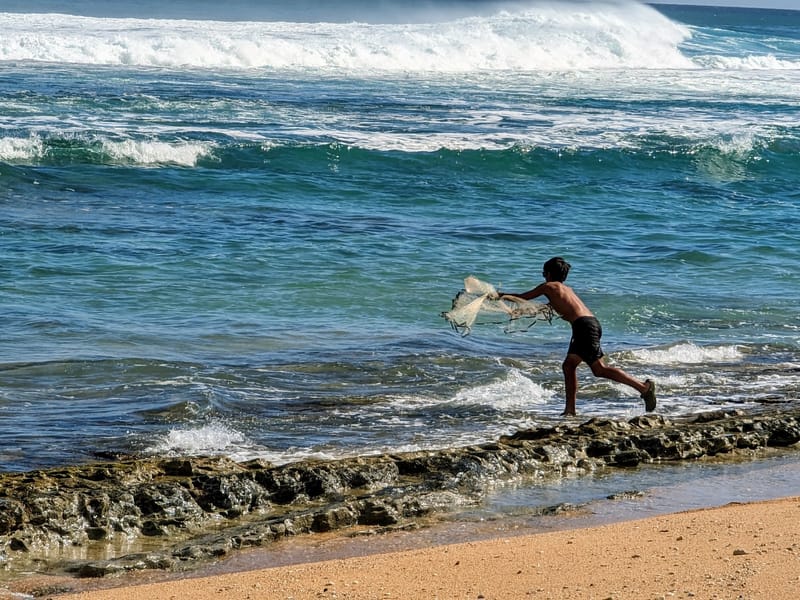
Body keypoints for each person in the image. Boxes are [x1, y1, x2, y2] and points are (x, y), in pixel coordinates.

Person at [499, 257, 656, 416]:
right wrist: (520, 312)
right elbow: (548, 308)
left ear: (548, 273)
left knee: (596, 369)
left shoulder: (549, 286)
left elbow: (522, 297)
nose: (543, 276)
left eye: (543, 273)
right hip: (589, 325)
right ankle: (570, 410)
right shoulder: (566, 290)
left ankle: (643, 387)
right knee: (574, 367)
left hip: (583, 327)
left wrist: (499, 296)